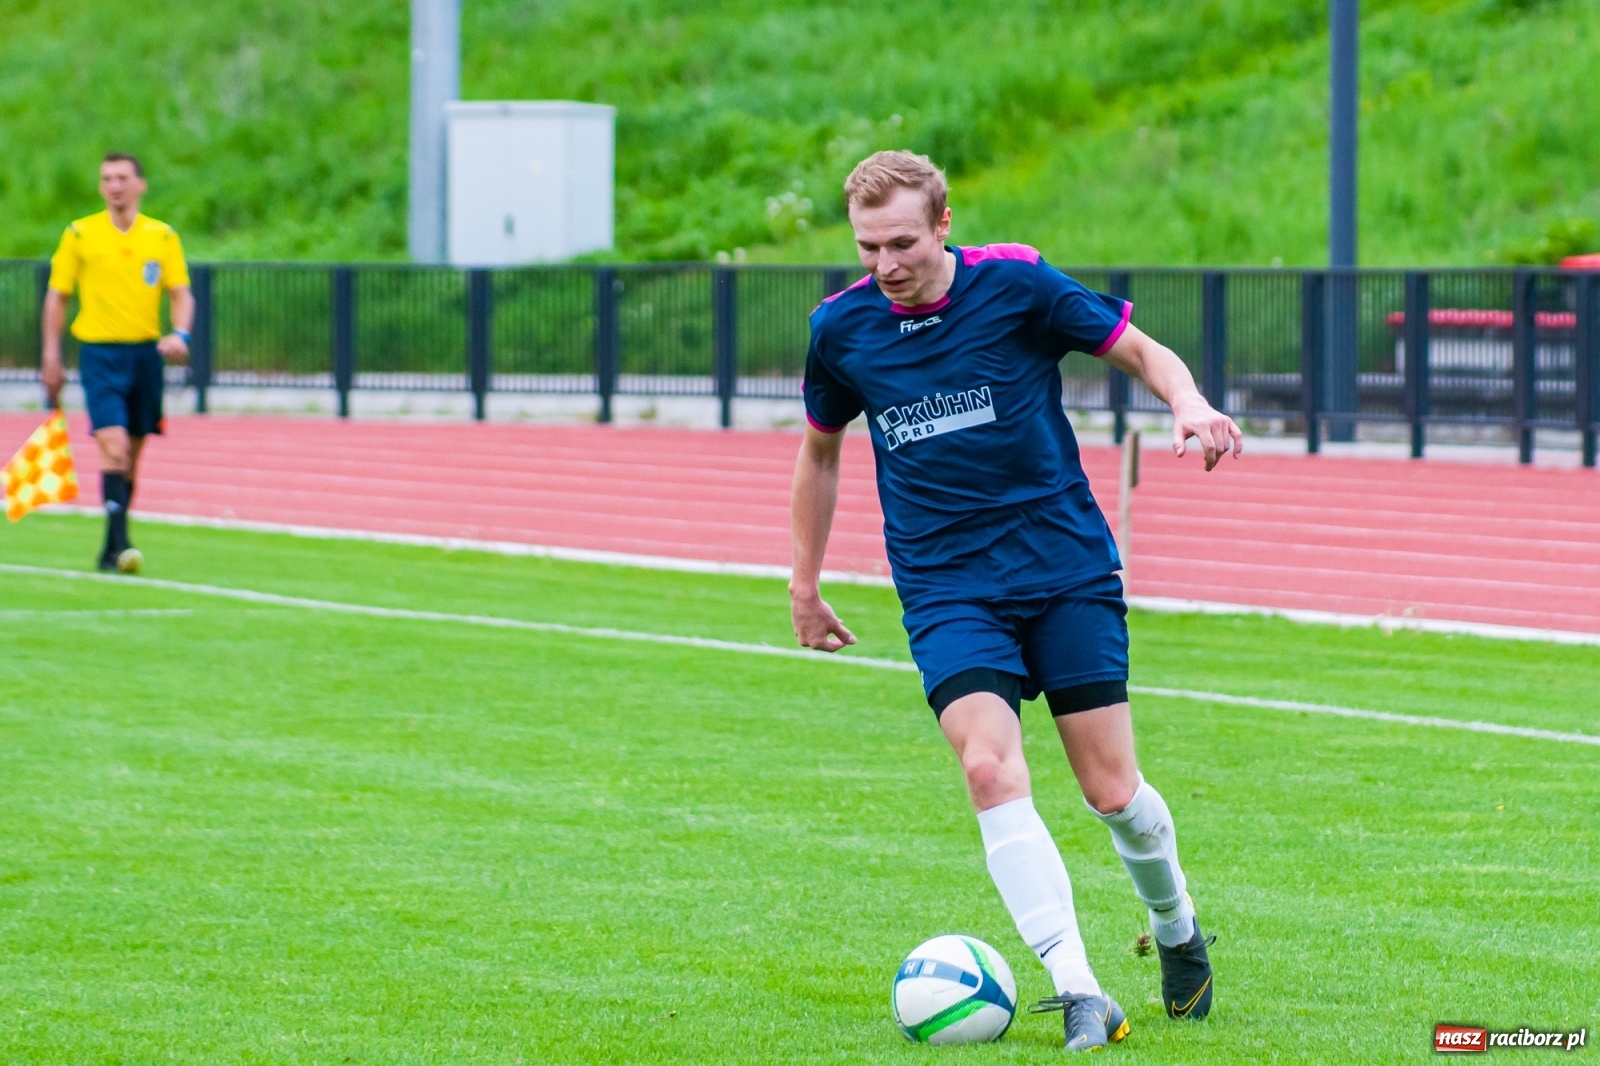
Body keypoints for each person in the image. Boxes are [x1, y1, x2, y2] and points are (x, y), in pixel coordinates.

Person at [789, 151, 1242, 1052]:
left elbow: (1141, 350)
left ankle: (1179, 925)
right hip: (948, 586)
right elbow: (822, 451)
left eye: (904, 243)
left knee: (1112, 792)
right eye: (869, 247)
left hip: (1062, 566)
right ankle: (1079, 988)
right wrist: (803, 582)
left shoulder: (1020, 286)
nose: (886, 265)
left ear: (944, 225)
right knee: (988, 768)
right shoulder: (842, 330)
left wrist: (1187, 401)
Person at [41, 152, 192, 574]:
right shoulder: (80, 234)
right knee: (114, 446)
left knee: (133, 456)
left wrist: (180, 334)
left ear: (140, 184)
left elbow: (181, 293)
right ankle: (124, 543)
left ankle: (111, 547)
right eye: (107, 178)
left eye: (122, 177)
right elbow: (58, 296)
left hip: (145, 355)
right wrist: (51, 355)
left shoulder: (161, 238)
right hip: (100, 354)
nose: (114, 186)